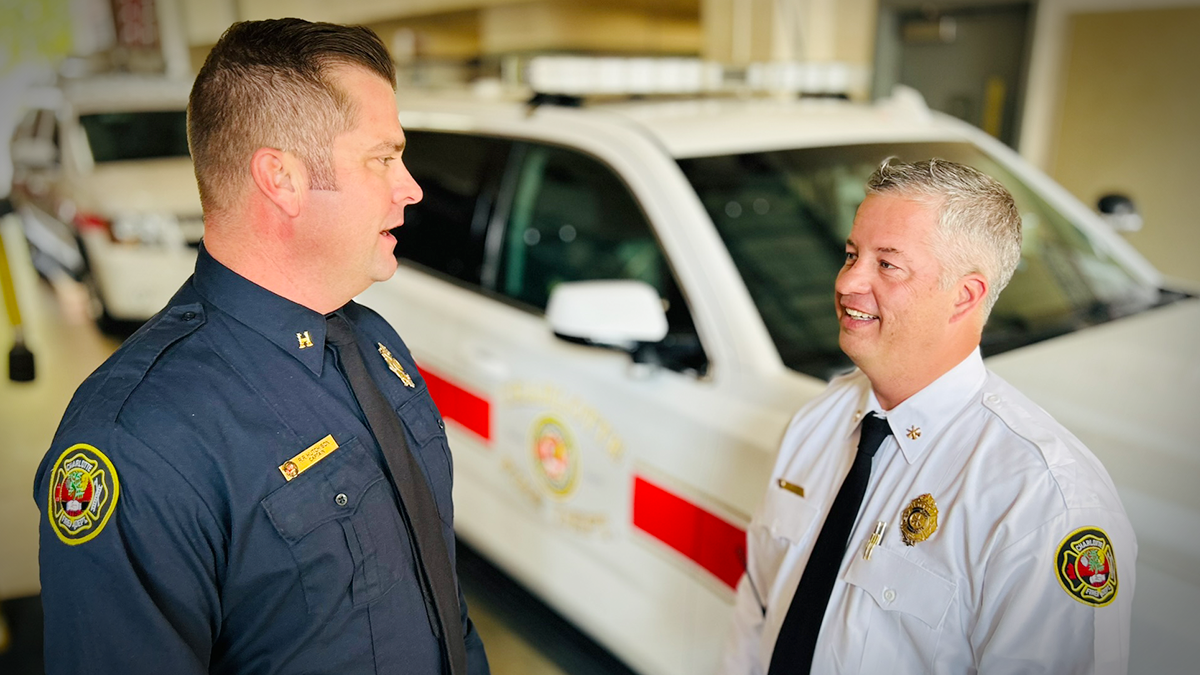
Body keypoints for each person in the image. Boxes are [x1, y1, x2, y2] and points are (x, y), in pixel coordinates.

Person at [34, 18, 489, 674]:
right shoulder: (137, 444)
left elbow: (439, 599)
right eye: (383, 158)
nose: (411, 187)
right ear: (283, 178)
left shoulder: (372, 341)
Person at [722, 158, 1135, 674]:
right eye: (851, 254)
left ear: (964, 296)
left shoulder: (1044, 501)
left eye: (887, 264)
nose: (848, 282)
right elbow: (758, 607)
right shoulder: (817, 422)